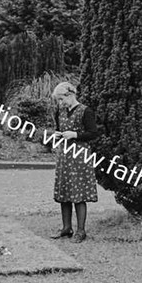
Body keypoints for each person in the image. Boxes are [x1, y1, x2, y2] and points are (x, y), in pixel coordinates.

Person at [50, 82, 99, 243]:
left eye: (62, 99)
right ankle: (66, 228)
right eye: (58, 100)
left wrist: (75, 135)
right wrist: (57, 135)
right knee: (64, 192)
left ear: (71, 95)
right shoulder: (60, 111)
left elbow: (93, 133)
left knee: (79, 194)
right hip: (64, 156)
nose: (60, 103)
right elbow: (59, 128)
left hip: (80, 157)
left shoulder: (86, 111)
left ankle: (81, 230)